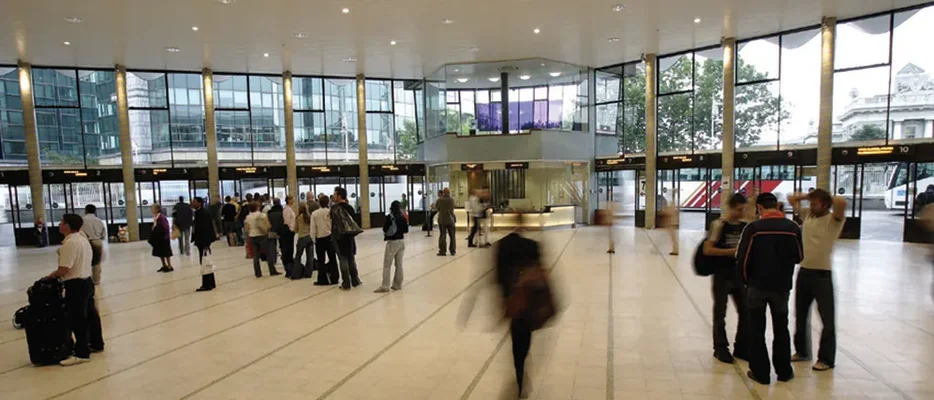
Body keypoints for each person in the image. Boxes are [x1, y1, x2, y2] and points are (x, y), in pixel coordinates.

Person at [735, 192, 803, 385]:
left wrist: (746, 281)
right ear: (778, 207)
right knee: (781, 327)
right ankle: (784, 371)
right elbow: (799, 256)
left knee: (757, 329)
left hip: (757, 286)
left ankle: (760, 372)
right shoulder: (792, 228)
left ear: (759, 208)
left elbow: (743, 258)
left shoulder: (754, 228)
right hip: (782, 287)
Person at [787, 189, 847, 371]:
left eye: (815, 203)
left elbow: (841, 202)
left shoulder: (833, 220)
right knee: (800, 315)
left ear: (825, 204)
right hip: (804, 272)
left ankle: (826, 359)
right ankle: (802, 351)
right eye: (810, 204)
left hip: (823, 274)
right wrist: (810, 197)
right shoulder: (808, 216)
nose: (811, 206)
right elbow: (791, 198)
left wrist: (822, 195)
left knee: (827, 320)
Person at [47, 214, 104, 366]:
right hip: (87, 281)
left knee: (77, 319)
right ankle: (97, 344)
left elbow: (64, 269)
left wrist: (52, 275)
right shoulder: (83, 239)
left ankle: (82, 352)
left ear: (68, 226)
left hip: (76, 285)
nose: (59, 224)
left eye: (62, 222)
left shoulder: (70, 243)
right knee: (91, 315)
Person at [495, 226, 543, 399]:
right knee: (525, 339)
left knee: (517, 343)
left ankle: (520, 374)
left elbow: (497, 279)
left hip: (513, 304)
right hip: (529, 304)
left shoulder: (502, 247)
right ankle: (522, 370)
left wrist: (502, 303)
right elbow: (542, 275)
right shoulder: (533, 246)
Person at [703, 193, 750, 364]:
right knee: (720, 313)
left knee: (746, 312)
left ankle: (742, 347)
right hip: (722, 276)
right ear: (730, 207)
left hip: (740, 276)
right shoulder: (718, 225)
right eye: (739, 210)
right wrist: (732, 252)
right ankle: (720, 348)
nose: (741, 213)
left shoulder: (746, 226)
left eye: (743, 210)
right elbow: (708, 249)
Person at [331, 187, 362, 290]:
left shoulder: (335, 209)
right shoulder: (350, 208)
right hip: (349, 237)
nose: (333, 196)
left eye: (335, 194)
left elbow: (333, 224)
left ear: (339, 196)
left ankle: (346, 283)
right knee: (351, 258)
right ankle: (355, 280)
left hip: (339, 238)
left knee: (343, 259)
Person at [376, 201, 409, 293]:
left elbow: (385, 229)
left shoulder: (389, 217)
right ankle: (397, 285)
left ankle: (385, 286)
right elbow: (406, 230)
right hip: (401, 242)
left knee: (387, 265)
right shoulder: (403, 217)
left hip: (392, 242)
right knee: (399, 265)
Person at [245, 202, 279, 277]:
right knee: (268, 254)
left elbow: (247, 229)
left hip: (253, 237)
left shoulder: (248, 217)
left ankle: (258, 273)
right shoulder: (262, 215)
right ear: (257, 207)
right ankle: (272, 271)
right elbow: (268, 225)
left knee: (256, 256)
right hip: (262, 236)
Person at [191, 197, 218, 292]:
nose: (192, 203)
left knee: (204, 262)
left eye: (194, 202)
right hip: (203, 241)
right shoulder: (200, 212)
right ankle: (211, 282)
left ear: (199, 203)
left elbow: (205, 228)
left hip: (203, 241)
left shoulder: (202, 213)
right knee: (206, 261)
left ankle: (207, 284)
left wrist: (206, 242)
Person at [311, 195, 338, 285]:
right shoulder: (330, 212)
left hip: (319, 238)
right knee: (332, 258)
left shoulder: (314, 213)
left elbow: (313, 228)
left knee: (321, 260)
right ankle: (335, 278)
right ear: (328, 202)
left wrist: (313, 239)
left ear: (319, 202)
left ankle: (322, 280)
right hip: (330, 237)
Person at [81, 204, 106, 285]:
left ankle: (85, 279)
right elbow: (103, 235)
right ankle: (96, 280)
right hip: (97, 242)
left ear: (86, 210)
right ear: (95, 211)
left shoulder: (82, 220)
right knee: (96, 262)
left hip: (85, 242)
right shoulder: (99, 221)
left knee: (84, 261)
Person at [149, 204, 174, 272]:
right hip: (158, 237)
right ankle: (164, 265)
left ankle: (169, 265)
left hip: (164, 237)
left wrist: (156, 229)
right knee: (160, 252)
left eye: (153, 208)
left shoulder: (162, 217)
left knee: (166, 252)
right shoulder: (156, 217)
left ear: (157, 209)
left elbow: (165, 227)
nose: (152, 209)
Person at [266, 198, 285, 275]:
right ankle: (283, 258)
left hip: (271, 230)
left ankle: (273, 260)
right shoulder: (282, 212)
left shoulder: (269, 212)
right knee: (283, 246)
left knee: (272, 246)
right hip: (281, 231)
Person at [436, 188, 456, 256]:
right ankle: (452, 250)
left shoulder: (440, 200)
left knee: (443, 235)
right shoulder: (452, 200)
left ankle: (442, 251)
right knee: (452, 236)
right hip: (451, 219)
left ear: (443, 192)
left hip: (442, 220)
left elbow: (437, 208)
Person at [294, 202, 314, 273]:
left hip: (301, 237)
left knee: (298, 256)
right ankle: (309, 272)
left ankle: (296, 272)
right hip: (309, 237)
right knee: (310, 256)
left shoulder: (298, 217)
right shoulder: (310, 217)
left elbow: (295, 229)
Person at [281, 196, 297, 276]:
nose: (293, 201)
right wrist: (291, 229)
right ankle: (288, 267)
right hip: (288, 231)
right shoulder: (287, 210)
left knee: (290, 249)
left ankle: (290, 266)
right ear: (288, 200)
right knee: (288, 249)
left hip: (291, 231)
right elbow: (287, 221)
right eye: (292, 199)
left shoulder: (290, 209)